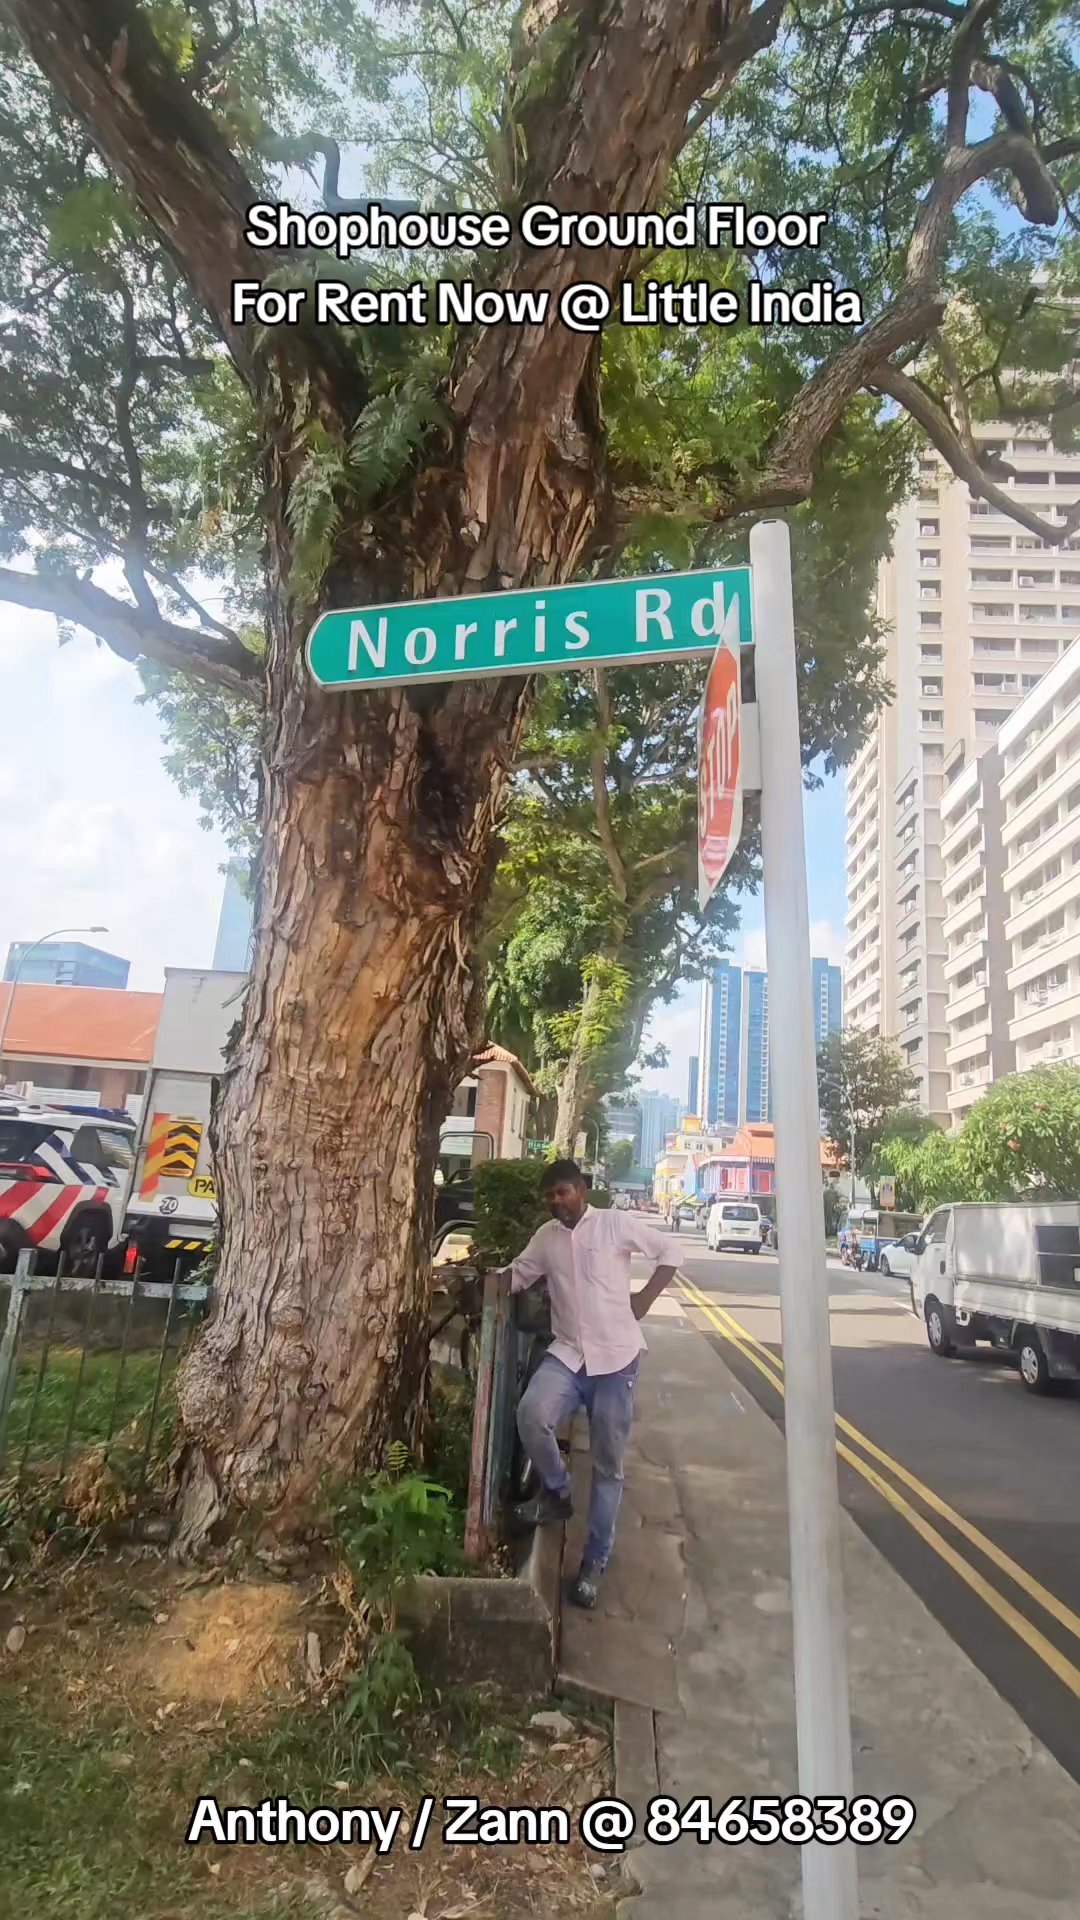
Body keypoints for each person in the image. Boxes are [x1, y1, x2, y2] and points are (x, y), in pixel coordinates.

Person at [504, 1159, 677, 1611]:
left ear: (581, 1189)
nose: (555, 1201)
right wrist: (486, 1283)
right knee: (532, 1414)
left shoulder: (615, 1225)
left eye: (562, 1192)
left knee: (607, 1468)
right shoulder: (547, 1238)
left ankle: (594, 1563)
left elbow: (670, 1253)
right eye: (550, 1196)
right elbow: (519, 1273)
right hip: (568, 1354)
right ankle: (558, 1493)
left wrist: (644, 1298)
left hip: (616, 1362)